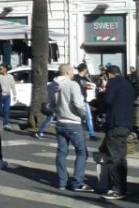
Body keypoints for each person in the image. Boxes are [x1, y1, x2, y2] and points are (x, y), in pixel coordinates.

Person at [47, 64, 93, 192]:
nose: (73, 73)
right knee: (81, 152)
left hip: (60, 122)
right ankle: (78, 182)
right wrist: (83, 115)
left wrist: (58, 111)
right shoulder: (73, 85)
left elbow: (49, 104)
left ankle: (62, 182)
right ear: (67, 72)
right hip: (73, 122)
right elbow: (78, 104)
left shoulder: (51, 86)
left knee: (62, 152)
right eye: (72, 71)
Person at [98, 65, 134, 200]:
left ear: (110, 74)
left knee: (113, 159)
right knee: (122, 159)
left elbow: (107, 100)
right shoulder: (128, 84)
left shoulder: (113, 83)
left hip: (115, 124)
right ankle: (123, 188)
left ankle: (116, 190)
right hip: (126, 125)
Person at [73, 64, 97, 141]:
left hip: (85, 100)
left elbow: (91, 85)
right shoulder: (75, 78)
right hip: (78, 100)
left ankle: (92, 134)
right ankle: (77, 133)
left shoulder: (85, 78)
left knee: (89, 117)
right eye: (86, 69)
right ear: (84, 69)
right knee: (79, 117)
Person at [0, 64, 16, 130]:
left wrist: (14, 94)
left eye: (2, 68)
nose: (0, 69)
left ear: (5, 69)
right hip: (0, 95)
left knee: (6, 110)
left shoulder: (10, 77)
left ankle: (6, 124)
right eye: (0, 68)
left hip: (7, 95)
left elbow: (13, 86)